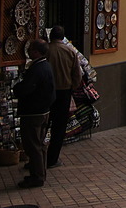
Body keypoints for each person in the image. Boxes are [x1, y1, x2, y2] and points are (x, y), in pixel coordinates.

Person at [14, 39, 56, 188]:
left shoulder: (37, 69)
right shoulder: (46, 66)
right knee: (39, 144)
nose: (29, 52)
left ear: (36, 52)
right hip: (43, 111)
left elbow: (26, 88)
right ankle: (39, 173)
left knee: (33, 146)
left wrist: (17, 89)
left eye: (31, 49)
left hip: (34, 113)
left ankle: (37, 177)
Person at [46, 26, 82, 169]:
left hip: (47, 93)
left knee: (43, 125)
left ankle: (38, 157)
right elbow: (77, 75)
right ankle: (52, 158)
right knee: (59, 127)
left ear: (51, 37)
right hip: (64, 92)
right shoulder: (70, 51)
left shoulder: (46, 50)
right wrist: (72, 87)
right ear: (62, 37)